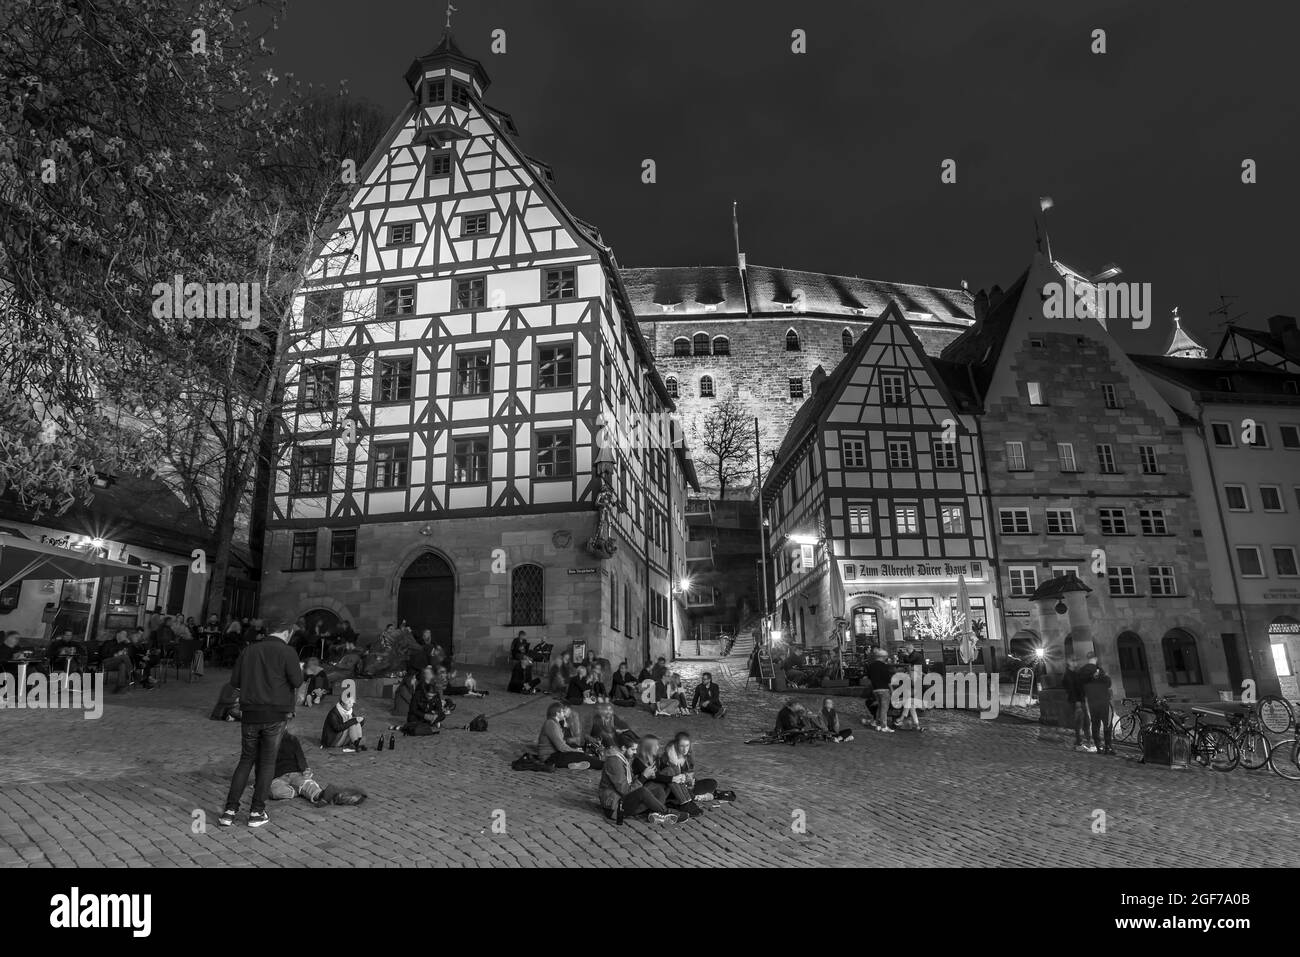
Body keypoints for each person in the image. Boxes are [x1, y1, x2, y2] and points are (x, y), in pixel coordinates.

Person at [220, 627, 304, 828]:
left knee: (246, 759)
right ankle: (256, 812)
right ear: (286, 631)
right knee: (267, 762)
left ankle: (229, 811)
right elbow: (297, 681)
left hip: (250, 712)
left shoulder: (249, 650)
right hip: (275, 713)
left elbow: (235, 681)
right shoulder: (287, 652)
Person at [597, 731, 678, 826]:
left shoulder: (623, 758)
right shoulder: (614, 762)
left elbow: (629, 782)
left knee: (658, 788)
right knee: (642, 791)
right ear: (623, 748)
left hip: (624, 799)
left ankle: (656, 814)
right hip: (615, 808)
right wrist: (643, 777)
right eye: (633, 749)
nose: (635, 752)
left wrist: (644, 777)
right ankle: (666, 812)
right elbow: (625, 790)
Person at [655, 731, 719, 816]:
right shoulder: (668, 758)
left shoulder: (688, 757)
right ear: (676, 745)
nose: (685, 749)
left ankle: (693, 797)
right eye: (682, 746)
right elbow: (667, 778)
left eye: (687, 746)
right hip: (672, 789)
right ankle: (692, 798)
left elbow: (689, 779)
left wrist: (690, 781)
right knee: (684, 789)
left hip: (686, 787)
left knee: (712, 783)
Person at [268, 728, 325, 803]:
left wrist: (305, 769)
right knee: (275, 792)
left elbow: (300, 757)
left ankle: (321, 796)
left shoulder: (292, 739)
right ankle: (297, 791)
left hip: (295, 773)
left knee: (308, 784)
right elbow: (261, 763)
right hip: (277, 777)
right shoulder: (266, 742)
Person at [538, 702, 597, 769]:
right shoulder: (551, 724)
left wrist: (574, 749)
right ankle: (602, 764)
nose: (564, 714)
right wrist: (575, 750)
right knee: (579, 755)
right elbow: (561, 747)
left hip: (555, 754)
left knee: (577, 750)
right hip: (549, 757)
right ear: (557, 713)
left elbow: (562, 742)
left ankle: (573, 764)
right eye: (562, 712)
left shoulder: (555, 723)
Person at [400, 665, 446, 736]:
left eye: (432, 696)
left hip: (429, 714)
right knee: (413, 718)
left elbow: (439, 708)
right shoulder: (418, 694)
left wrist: (435, 714)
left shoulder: (436, 696)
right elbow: (413, 709)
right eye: (429, 696)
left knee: (442, 715)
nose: (430, 698)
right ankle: (427, 723)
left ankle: (430, 722)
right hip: (419, 716)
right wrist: (425, 715)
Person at [1083, 654, 1115, 755]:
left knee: (1095, 725)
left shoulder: (1085, 675)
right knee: (1107, 724)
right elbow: (1108, 683)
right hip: (1104, 703)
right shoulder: (1101, 674)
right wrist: (1104, 676)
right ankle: (1107, 746)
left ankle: (1098, 746)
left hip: (1093, 704)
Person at [1064, 656, 1094, 753]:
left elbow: (1081, 684)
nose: (1076, 662)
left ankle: (1088, 741)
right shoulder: (1068, 675)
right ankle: (1079, 743)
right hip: (1076, 701)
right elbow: (1071, 689)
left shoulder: (1075, 673)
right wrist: (1077, 701)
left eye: (1076, 660)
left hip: (1081, 700)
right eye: (1073, 660)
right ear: (1069, 663)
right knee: (1079, 722)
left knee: (1086, 722)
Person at [865, 650, 895, 732]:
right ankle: (884, 726)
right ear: (883, 657)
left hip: (875, 689)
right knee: (884, 709)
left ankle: (878, 725)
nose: (886, 658)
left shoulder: (870, 666)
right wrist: (892, 690)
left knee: (879, 707)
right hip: (884, 689)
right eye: (886, 657)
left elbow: (869, 677)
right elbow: (887, 680)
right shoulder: (884, 666)